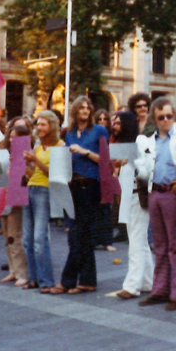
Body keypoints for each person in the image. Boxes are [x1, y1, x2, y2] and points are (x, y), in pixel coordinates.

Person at [136, 97, 176, 311]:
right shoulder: (148, 140)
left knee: (175, 245)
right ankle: (159, 290)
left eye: (169, 116)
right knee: (160, 245)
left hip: (173, 193)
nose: (166, 120)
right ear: (154, 120)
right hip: (155, 192)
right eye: (161, 117)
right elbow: (144, 168)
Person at [55, 98, 109, 294]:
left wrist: (85, 152)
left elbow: (105, 159)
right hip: (73, 186)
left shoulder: (99, 131)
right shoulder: (68, 133)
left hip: (91, 185)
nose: (85, 110)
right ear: (75, 110)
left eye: (88, 107)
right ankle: (87, 281)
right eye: (82, 107)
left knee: (79, 234)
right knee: (82, 236)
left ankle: (67, 280)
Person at [114, 111, 155, 299]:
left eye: (118, 122)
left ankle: (132, 286)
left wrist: (133, 164)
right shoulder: (124, 145)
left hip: (138, 194)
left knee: (136, 240)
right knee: (139, 239)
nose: (114, 125)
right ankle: (148, 281)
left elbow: (147, 170)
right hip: (128, 194)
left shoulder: (140, 141)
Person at [22, 111, 63, 292]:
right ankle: (34, 278)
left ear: (52, 127)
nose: (39, 127)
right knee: (27, 239)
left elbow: (54, 173)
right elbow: (34, 174)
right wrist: (22, 166)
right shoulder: (38, 146)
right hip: (30, 189)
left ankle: (47, 280)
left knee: (39, 238)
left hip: (45, 192)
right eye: (37, 124)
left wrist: (35, 160)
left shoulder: (60, 146)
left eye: (43, 124)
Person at [0, 118, 30, 287]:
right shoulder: (6, 153)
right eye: (10, 137)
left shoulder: (24, 155)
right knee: (7, 236)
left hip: (16, 196)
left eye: (15, 137)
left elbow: (28, 176)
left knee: (13, 236)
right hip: (4, 195)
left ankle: (22, 272)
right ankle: (13, 270)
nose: (11, 140)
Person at [91, 109, 116, 252]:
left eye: (104, 119)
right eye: (99, 119)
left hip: (107, 173)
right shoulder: (92, 135)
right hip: (94, 172)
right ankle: (93, 240)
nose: (102, 121)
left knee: (106, 208)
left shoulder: (111, 136)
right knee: (94, 208)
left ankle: (107, 241)